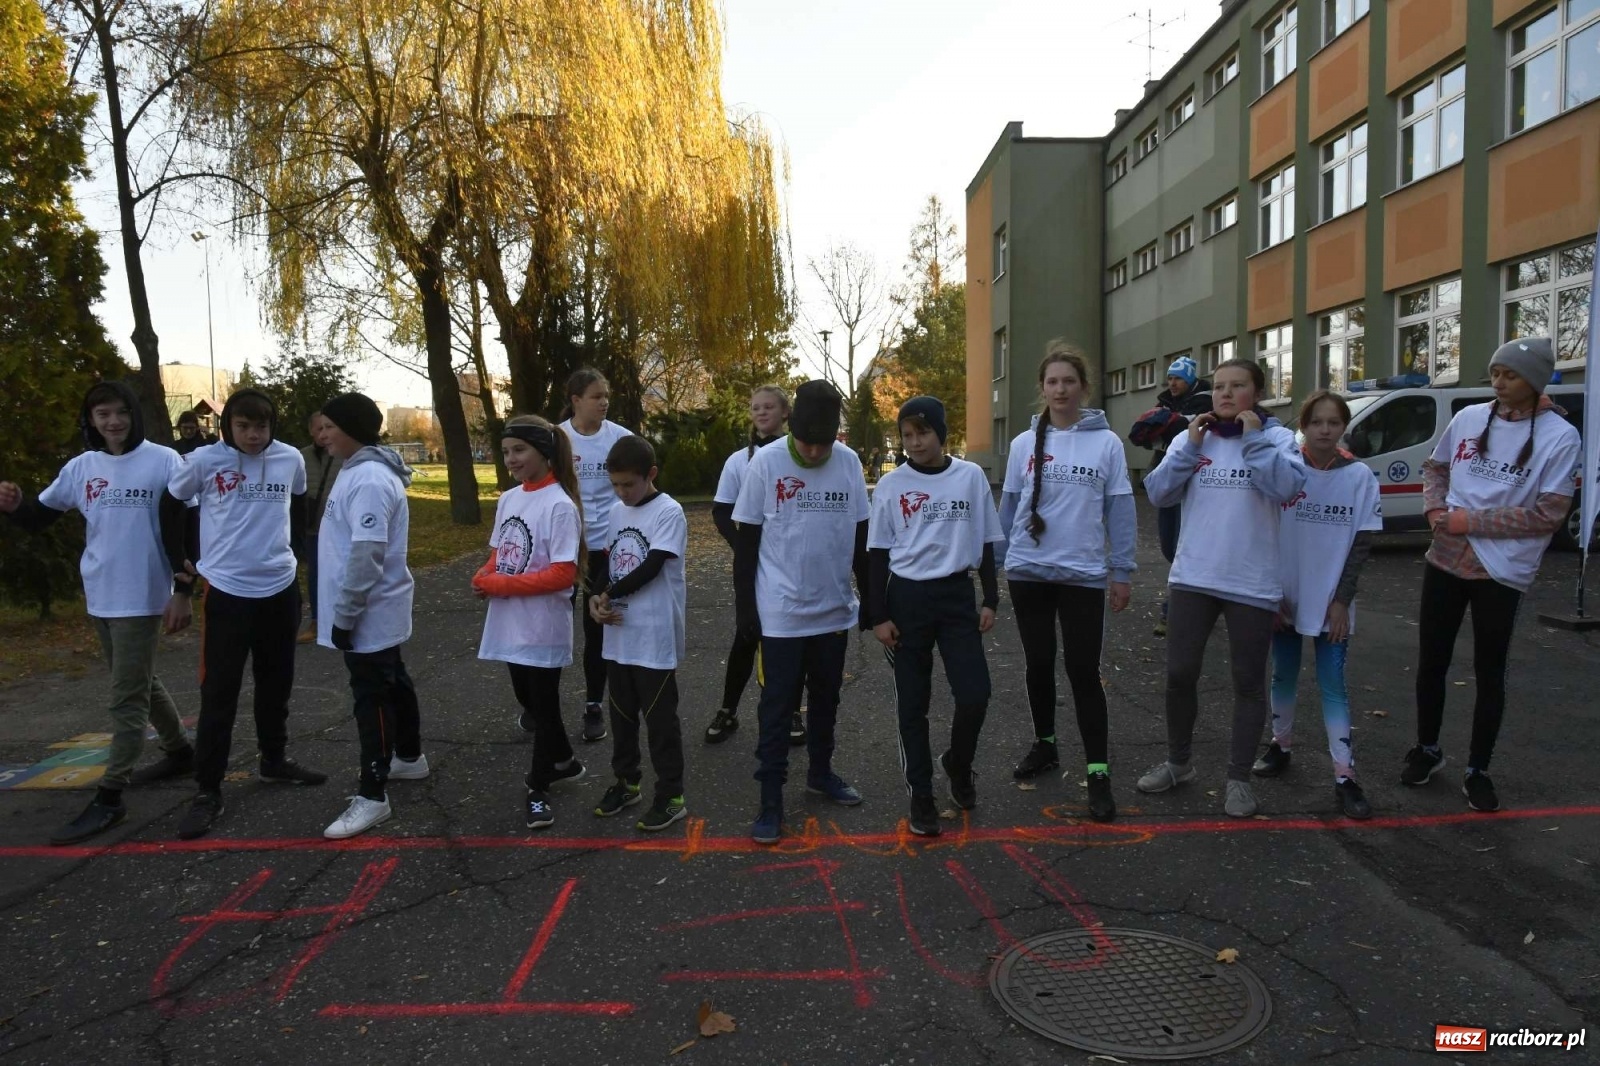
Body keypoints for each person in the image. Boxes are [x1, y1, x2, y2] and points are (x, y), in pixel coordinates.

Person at [0, 381, 196, 844]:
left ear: (135, 413)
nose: (113, 421)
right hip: (100, 591)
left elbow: (189, 524)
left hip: (144, 593)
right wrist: (13, 507)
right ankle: (179, 751)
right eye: (102, 413)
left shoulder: (163, 460)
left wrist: (185, 587)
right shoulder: (81, 467)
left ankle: (110, 797)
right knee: (139, 681)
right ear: (90, 419)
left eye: (121, 412)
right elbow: (40, 516)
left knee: (125, 696)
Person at [1406, 338, 1580, 813]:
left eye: (1511, 375)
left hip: (1501, 570)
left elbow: (1550, 513)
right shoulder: (1468, 418)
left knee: (1489, 670)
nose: (1499, 383)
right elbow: (1437, 467)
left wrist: (1471, 522)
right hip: (1445, 558)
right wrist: (1435, 507)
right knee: (1432, 661)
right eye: (1496, 372)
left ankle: (1478, 768)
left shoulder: (1560, 437)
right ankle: (1427, 749)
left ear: (1536, 380)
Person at [1136, 358, 1307, 818]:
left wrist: (1252, 442)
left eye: (1238, 387)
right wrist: (1190, 448)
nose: (1226, 395)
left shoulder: (1277, 439)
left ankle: (1238, 779)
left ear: (1258, 393)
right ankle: (1178, 763)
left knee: (1248, 682)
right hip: (1194, 576)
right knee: (1179, 674)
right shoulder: (1192, 436)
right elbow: (1157, 493)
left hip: (1251, 581)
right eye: (1220, 388)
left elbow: (1287, 488)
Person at [167, 388, 326, 840]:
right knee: (220, 694)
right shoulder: (203, 461)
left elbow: (297, 504)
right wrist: (181, 564)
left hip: (279, 589)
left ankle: (273, 761)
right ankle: (207, 789)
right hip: (228, 593)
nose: (254, 436)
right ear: (227, 427)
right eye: (244, 426)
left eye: (262, 426)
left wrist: (291, 551)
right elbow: (171, 504)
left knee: (276, 684)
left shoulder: (289, 459)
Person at [997, 344, 1136, 822]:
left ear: (1083, 388)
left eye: (1068, 381)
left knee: (1082, 671)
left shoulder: (1107, 444)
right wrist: (994, 566)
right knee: (1038, 664)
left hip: (1082, 575)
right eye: (1052, 382)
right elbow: (1009, 508)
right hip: (1027, 572)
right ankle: (1046, 744)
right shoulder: (1022, 444)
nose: (1060, 389)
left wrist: (1122, 571)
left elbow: (1120, 509)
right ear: (1043, 388)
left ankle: (1097, 771)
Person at [732, 380, 870, 844]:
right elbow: (746, 543)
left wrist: (873, 603)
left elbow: (860, 540)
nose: (814, 453)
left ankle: (821, 772)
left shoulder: (848, 464)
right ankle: (770, 798)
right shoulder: (766, 464)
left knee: (827, 701)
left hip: (832, 612)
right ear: (791, 427)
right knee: (777, 708)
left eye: (824, 443)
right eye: (807, 442)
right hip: (781, 614)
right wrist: (746, 610)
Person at [867, 396, 1004, 837]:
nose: (915, 442)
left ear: (941, 433)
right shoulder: (892, 485)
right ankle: (920, 793)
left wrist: (991, 598)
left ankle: (957, 764)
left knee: (975, 693)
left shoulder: (968, 478)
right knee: (914, 703)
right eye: (907, 435)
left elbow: (985, 542)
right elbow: (876, 555)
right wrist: (878, 616)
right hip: (907, 599)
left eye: (923, 432)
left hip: (956, 596)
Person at [1254, 390, 1382, 821]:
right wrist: (1272, 594)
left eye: (1334, 422)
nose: (1325, 430)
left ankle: (1345, 776)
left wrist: (1342, 601)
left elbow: (1361, 545)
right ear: (1303, 427)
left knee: (1332, 685)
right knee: (1283, 674)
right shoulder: (1285, 472)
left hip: (1331, 605)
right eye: (1316, 422)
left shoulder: (1360, 476)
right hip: (1286, 599)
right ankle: (1280, 745)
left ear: (1344, 426)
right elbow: (1266, 536)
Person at [316, 393, 427, 839]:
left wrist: (344, 614)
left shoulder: (369, 481)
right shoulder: (357, 472)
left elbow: (367, 554)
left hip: (368, 614)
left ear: (352, 430)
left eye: (330, 427)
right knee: (392, 681)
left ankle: (372, 794)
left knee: (373, 697)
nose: (323, 436)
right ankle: (408, 757)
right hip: (370, 611)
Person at [474, 415, 587, 830]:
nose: (511, 460)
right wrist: (485, 575)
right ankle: (564, 762)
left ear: (543, 451)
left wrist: (502, 585)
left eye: (519, 450)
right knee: (531, 700)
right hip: (509, 619)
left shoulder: (559, 505)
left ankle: (538, 785)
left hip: (542, 624)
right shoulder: (510, 498)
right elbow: (500, 550)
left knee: (544, 704)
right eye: (505, 452)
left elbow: (562, 573)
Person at [588, 435, 690, 831]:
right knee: (622, 717)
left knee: (660, 721)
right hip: (619, 634)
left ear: (651, 475)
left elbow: (652, 565)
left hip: (653, 636)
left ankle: (671, 795)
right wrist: (597, 597)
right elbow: (608, 561)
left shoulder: (669, 512)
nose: (621, 492)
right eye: (615, 484)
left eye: (628, 484)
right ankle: (626, 782)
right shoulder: (617, 512)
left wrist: (609, 592)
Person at [707, 384, 795, 746]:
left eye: (769, 407)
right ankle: (728, 710)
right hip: (753, 563)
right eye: (755, 407)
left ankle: (789, 712)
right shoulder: (737, 460)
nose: (761, 413)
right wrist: (744, 546)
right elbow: (721, 510)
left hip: (788, 563)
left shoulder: (797, 456)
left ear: (785, 413)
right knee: (747, 633)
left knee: (789, 638)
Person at [558, 367, 632, 745]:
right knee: (553, 627)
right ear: (575, 400)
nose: (603, 401)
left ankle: (592, 704)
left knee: (595, 629)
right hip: (563, 550)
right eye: (595, 396)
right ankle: (540, 704)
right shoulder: (558, 440)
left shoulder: (620, 439)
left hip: (605, 551)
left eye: (606, 395)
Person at [1145, 356, 1211, 637]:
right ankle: (1198, 599)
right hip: (1167, 479)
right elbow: (1148, 434)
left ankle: (1176, 609)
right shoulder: (1165, 402)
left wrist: (1168, 424)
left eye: (1178, 378)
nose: (1172, 383)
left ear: (1191, 379)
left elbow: (1180, 431)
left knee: (1182, 546)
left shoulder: (1205, 401)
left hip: (1194, 483)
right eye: (1170, 378)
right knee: (1169, 546)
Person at [298, 411, 344, 644]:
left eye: (329, 428)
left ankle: (342, 618)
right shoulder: (301, 457)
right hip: (313, 529)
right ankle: (317, 621)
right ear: (311, 431)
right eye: (319, 429)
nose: (324, 435)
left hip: (338, 528)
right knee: (316, 575)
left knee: (343, 573)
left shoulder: (342, 455)